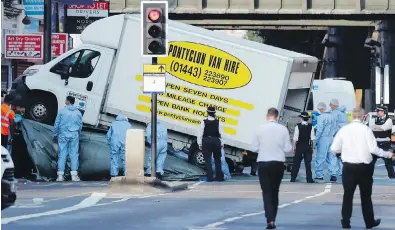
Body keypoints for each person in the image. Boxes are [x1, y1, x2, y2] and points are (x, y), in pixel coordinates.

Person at [330, 107, 393, 229]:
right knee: (365, 196)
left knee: (347, 195)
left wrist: (342, 156)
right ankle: (369, 222)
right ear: (363, 117)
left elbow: (334, 149)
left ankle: (346, 221)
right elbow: (373, 149)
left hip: (348, 167)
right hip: (364, 168)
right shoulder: (366, 130)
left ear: (352, 116)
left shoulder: (344, 130)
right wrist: (386, 154)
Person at [251, 107, 292, 229]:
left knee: (266, 192)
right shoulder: (283, 129)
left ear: (267, 116)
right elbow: (287, 148)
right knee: (275, 191)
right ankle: (273, 218)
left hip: (263, 161)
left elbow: (254, 148)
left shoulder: (260, 129)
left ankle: (269, 219)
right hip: (278, 162)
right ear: (278, 117)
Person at [53, 96, 83, 182]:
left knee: (62, 154)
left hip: (63, 135)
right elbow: (80, 125)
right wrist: (78, 134)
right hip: (74, 135)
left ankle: (60, 176)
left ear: (68, 101)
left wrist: (55, 134)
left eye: (66, 100)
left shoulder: (62, 111)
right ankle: (74, 176)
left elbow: (57, 123)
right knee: (74, 154)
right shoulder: (78, 113)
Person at [197, 106, 224, 182]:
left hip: (206, 141)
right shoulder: (219, 122)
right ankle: (219, 177)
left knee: (208, 160)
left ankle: (210, 178)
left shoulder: (203, 122)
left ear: (207, 113)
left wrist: (200, 143)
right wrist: (222, 143)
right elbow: (222, 134)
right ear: (214, 113)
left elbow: (200, 134)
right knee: (217, 160)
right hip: (216, 141)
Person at [315, 102, 339, 182]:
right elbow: (336, 128)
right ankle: (333, 174)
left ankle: (319, 175)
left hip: (323, 138)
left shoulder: (321, 117)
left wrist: (316, 140)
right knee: (332, 157)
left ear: (321, 109)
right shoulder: (334, 116)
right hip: (332, 138)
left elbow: (319, 130)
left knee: (320, 157)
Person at [370, 106, 395, 178]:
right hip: (376, 143)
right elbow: (371, 128)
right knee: (371, 161)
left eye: (378, 111)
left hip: (385, 144)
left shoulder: (389, 120)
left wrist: (376, 127)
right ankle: (368, 176)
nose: (377, 112)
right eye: (377, 111)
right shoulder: (374, 119)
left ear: (383, 112)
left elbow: (384, 128)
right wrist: (378, 127)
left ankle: (392, 176)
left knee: (388, 163)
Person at [291, 112, 315, 183]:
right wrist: (312, 148)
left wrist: (294, 147)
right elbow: (312, 139)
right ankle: (309, 179)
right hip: (307, 147)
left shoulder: (297, 126)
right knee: (308, 164)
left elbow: (295, 139)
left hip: (299, 147)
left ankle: (293, 178)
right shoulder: (311, 126)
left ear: (301, 118)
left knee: (296, 163)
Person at [330, 99, 349, 176]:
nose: (330, 106)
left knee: (333, 155)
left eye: (330, 104)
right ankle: (343, 171)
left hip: (337, 136)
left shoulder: (335, 113)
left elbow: (333, 126)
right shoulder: (343, 113)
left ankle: (334, 173)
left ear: (334, 105)